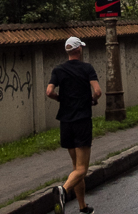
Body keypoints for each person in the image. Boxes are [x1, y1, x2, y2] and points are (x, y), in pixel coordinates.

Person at [47, 36, 101, 214]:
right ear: (79, 50)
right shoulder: (87, 68)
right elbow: (98, 91)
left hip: (66, 122)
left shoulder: (59, 70)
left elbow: (49, 91)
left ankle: (83, 207)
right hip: (82, 120)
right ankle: (63, 190)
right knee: (82, 169)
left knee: (76, 167)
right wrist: (92, 100)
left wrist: (60, 98)